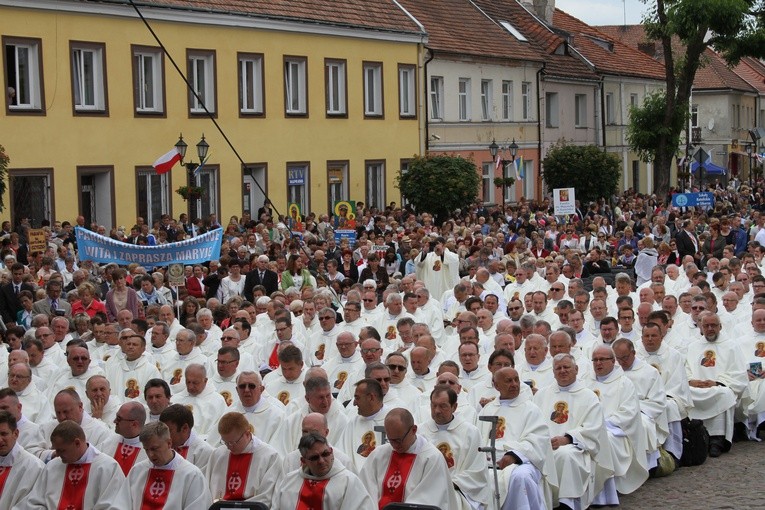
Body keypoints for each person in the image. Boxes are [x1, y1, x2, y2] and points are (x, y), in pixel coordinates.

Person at [533, 353, 613, 510]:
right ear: (553, 372)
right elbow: (532, 422)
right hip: (546, 444)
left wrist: (567, 439)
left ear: (576, 369)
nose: (562, 371)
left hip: (577, 446)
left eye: (566, 367)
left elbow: (592, 428)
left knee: (566, 455)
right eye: (558, 368)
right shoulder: (542, 395)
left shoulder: (588, 396)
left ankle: (568, 502)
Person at [478, 367, 557, 510]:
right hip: (489, 462)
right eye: (508, 381)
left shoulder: (531, 409)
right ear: (496, 386)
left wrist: (514, 455)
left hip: (522, 462)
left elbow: (538, 440)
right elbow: (477, 439)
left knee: (521, 477)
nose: (514, 384)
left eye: (516, 380)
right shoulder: (487, 410)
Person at [359, 407, 458, 509]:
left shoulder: (431, 458)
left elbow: (428, 500)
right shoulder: (378, 455)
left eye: (398, 440)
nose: (395, 445)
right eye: (390, 440)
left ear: (414, 430)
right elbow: (365, 493)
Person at [685, 313, 748, 457]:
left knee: (725, 394)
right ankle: (696, 435)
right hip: (697, 387)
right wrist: (691, 381)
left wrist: (717, 383)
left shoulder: (731, 346)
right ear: (701, 327)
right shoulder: (694, 346)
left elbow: (739, 374)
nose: (710, 328)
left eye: (713, 325)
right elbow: (686, 369)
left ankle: (717, 440)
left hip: (719, 388)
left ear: (720, 326)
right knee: (686, 393)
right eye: (706, 325)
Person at [420, 385, 492, 509]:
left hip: (457, 490)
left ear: (454, 407)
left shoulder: (470, 432)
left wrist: (447, 484)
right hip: (426, 488)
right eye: (433, 405)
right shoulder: (420, 431)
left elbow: (477, 471)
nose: (437, 410)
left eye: (443, 406)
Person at [25, 420, 124, 509]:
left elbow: (112, 506)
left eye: (62, 450)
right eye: (56, 450)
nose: (57, 454)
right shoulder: (52, 466)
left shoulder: (108, 468)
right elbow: (34, 502)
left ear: (77, 443)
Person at [112, 421, 212, 509]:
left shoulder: (191, 475)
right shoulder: (138, 471)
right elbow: (121, 505)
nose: (150, 455)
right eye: (146, 449)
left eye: (154, 449)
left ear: (169, 443)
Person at [273, 432, 375, 510]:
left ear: (332, 452)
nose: (321, 461)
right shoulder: (289, 481)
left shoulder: (349, 482)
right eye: (314, 458)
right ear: (303, 461)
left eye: (325, 454)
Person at [205, 411, 282, 503]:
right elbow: (207, 492)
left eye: (233, 442)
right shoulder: (218, 454)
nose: (229, 447)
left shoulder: (270, 457)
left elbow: (266, 497)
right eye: (225, 442)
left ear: (247, 434)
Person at [0, 410, 45, 508]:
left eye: (4, 434)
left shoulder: (34, 467)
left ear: (15, 434)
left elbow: (31, 505)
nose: (0, 440)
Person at [99, 401, 148, 475]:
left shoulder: (148, 450)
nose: (114, 421)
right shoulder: (111, 440)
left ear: (134, 424)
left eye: (119, 419)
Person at [415, 236, 460, 304]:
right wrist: (424, 251)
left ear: (444, 245)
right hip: (430, 287)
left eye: (438, 244)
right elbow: (418, 264)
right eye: (435, 244)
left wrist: (442, 252)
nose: (436, 246)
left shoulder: (452, 255)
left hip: (444, 287)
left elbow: (453, 263)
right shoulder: (428, 256)